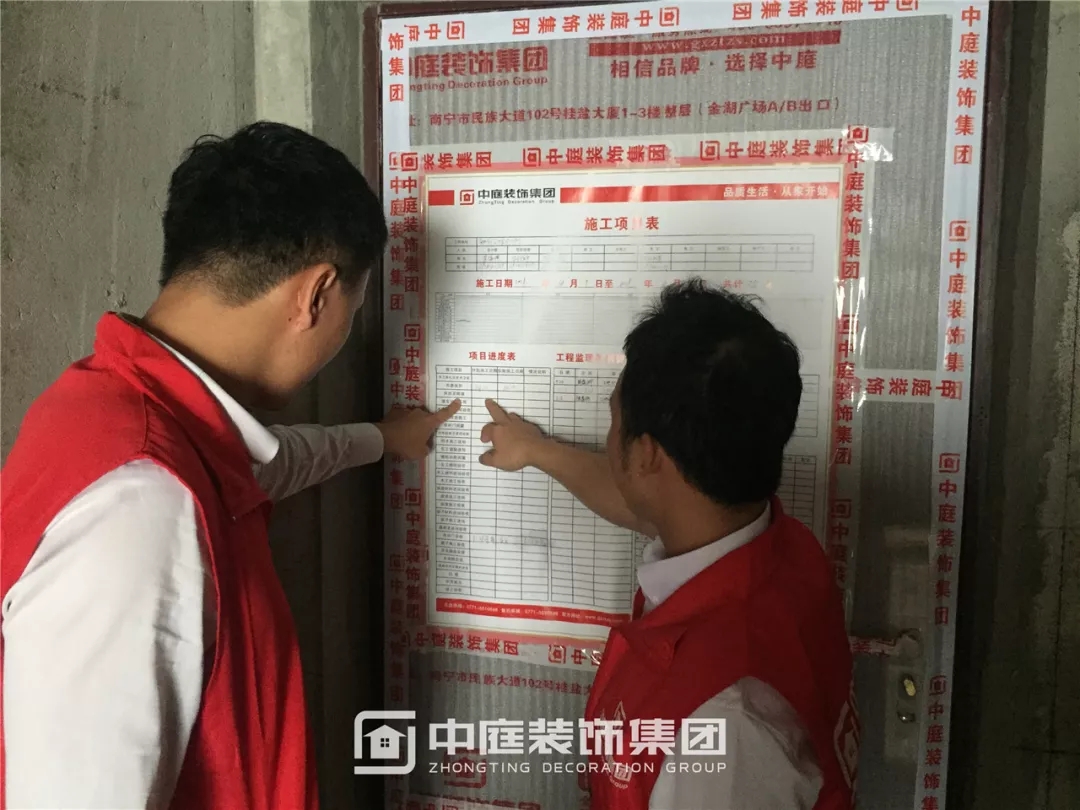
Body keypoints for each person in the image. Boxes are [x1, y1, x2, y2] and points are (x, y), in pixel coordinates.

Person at [1, 122, 459, 809]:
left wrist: (384, 439)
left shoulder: (126, 410)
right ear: (315, 294)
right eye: (353, 310)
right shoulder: (140, 511)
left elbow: (268, 463)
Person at [479, 280, 858, 810]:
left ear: (648, 456)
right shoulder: (778, 548)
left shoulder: (725, 728)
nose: (609, 436)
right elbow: (645, 501)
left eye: (614, 421)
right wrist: (537, 451)